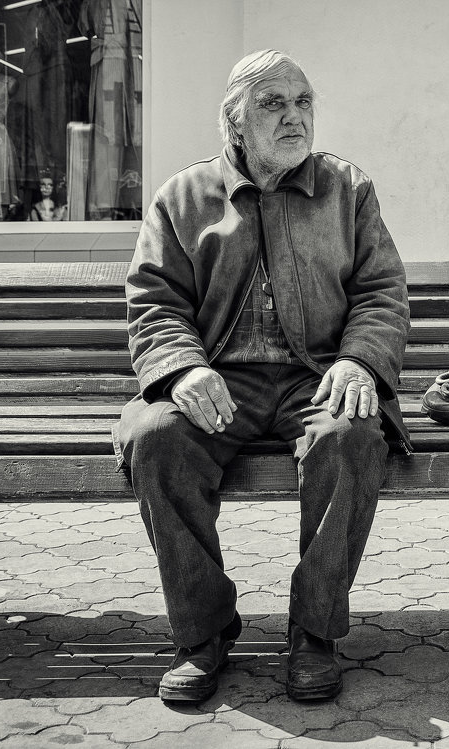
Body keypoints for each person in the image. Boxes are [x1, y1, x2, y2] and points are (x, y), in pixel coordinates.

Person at [113, 49, 411, 704]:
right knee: (157, 437)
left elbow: (381, 292)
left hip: (317, 376)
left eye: (302, 102)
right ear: (235, 123)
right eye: (272, 104)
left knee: (355, 438)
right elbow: (155, 301)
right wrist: (181, 369)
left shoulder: (348, 189)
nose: (293, 117)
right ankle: (203, 630)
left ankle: (314, 630)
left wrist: (360, 359)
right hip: (220, 380)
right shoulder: (183, 198)